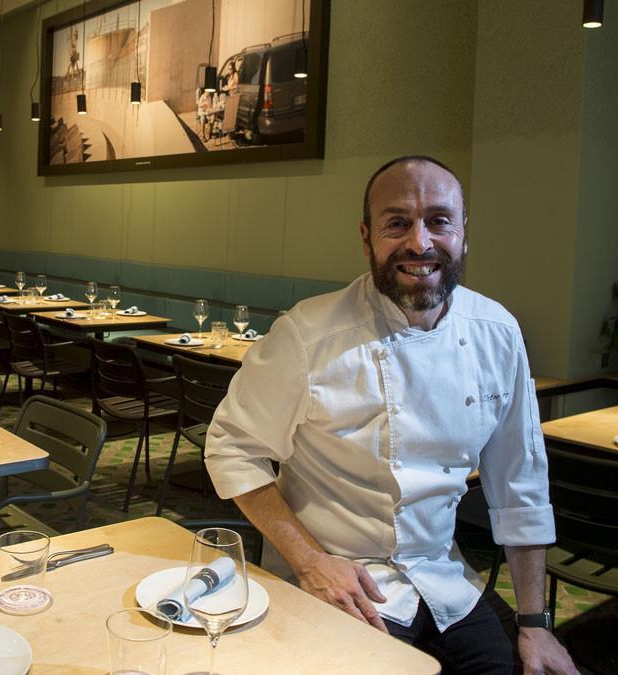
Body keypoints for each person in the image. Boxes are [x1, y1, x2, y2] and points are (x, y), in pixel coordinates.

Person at [205, 156, 577, 674]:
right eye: (397, 222)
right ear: (367, 237)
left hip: (444, 577)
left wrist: (535, 622)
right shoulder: (308, 334)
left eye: (439, 221)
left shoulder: (498, 333)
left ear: (464, 233)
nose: (420, 243)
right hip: (338, 580)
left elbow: (521, 485)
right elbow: (232, 447)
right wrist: (309, 561)